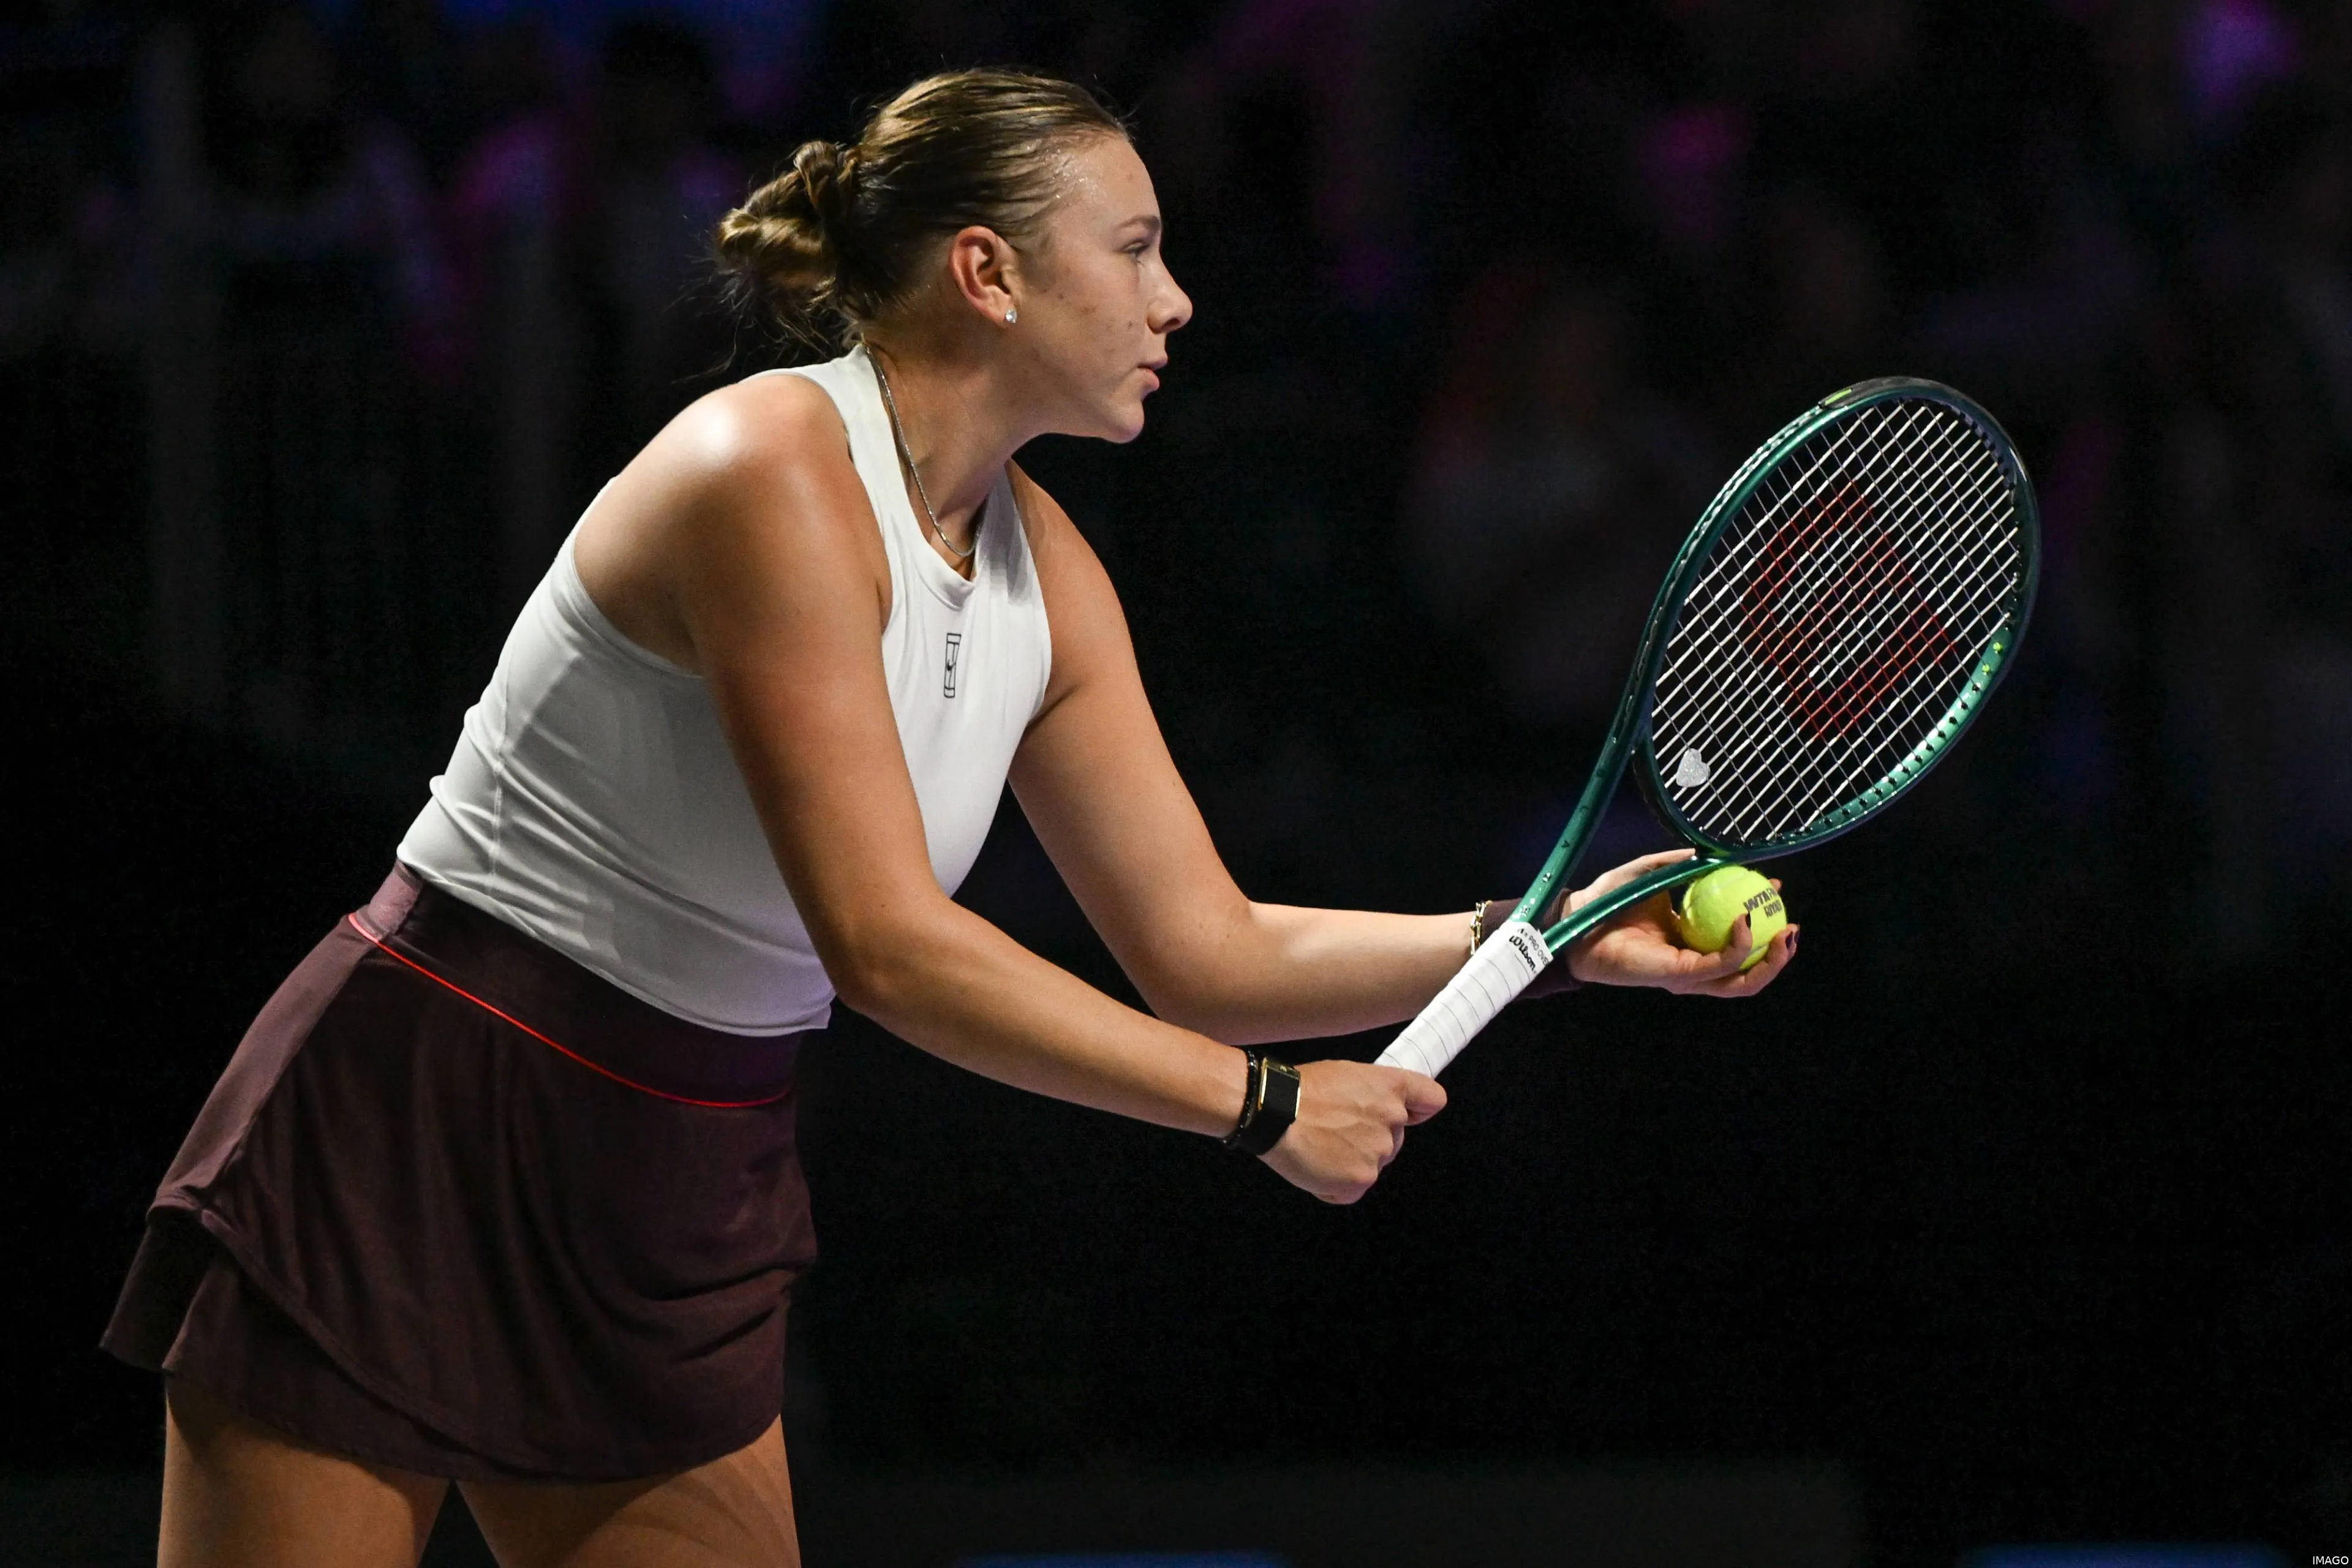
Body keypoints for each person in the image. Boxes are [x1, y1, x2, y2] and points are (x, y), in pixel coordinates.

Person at [105, 69, 1797, 1568]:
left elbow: (1211, 950)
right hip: (429, 1115)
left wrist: (1546, 937)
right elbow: (889, 946)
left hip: (683, 1180)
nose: (1179, 298)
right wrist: (1264, 1107)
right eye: (1134, 248)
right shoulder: (767, 473)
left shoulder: (1050, 571)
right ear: (988, 272)